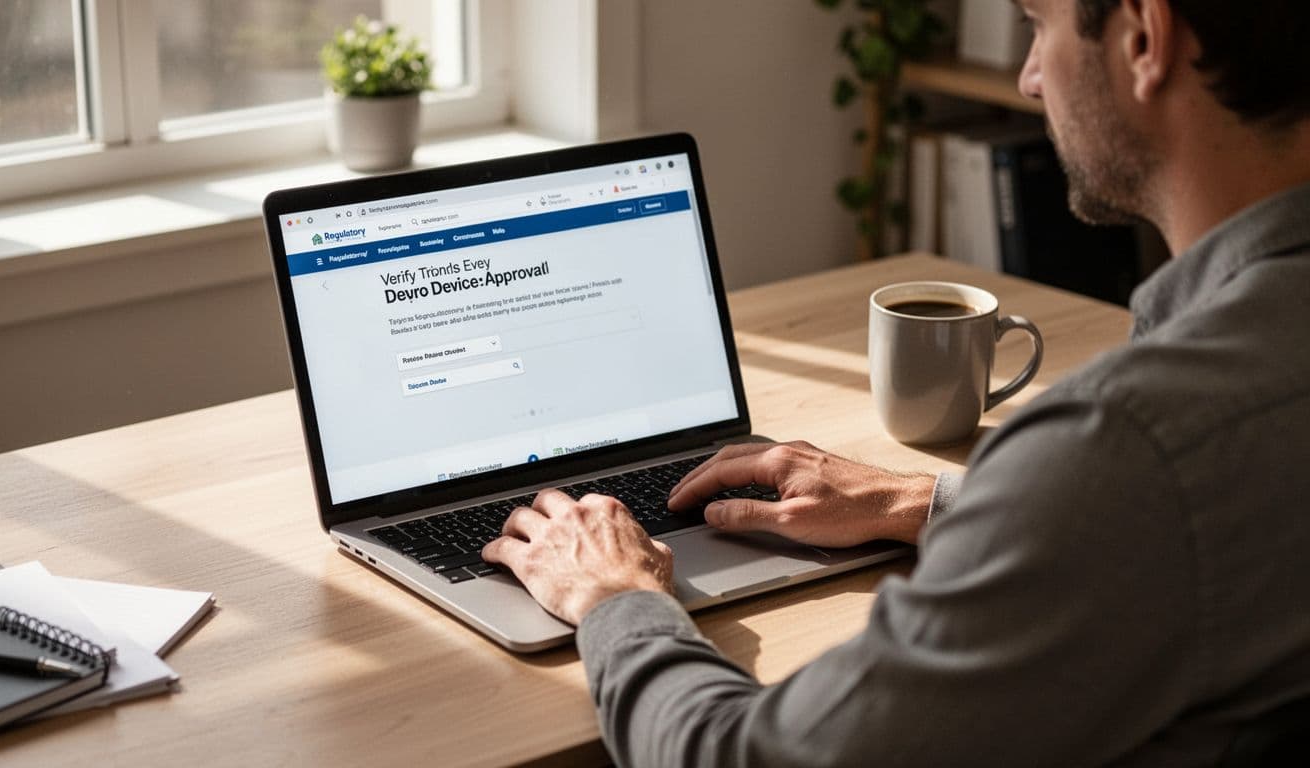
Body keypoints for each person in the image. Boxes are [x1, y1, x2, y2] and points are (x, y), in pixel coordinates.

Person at [481, 0, 1310, 763]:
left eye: (1038, 23)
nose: (1027, 75)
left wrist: (616, 597)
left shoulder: (1134, 448)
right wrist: (921, 503)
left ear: (1142, 37)